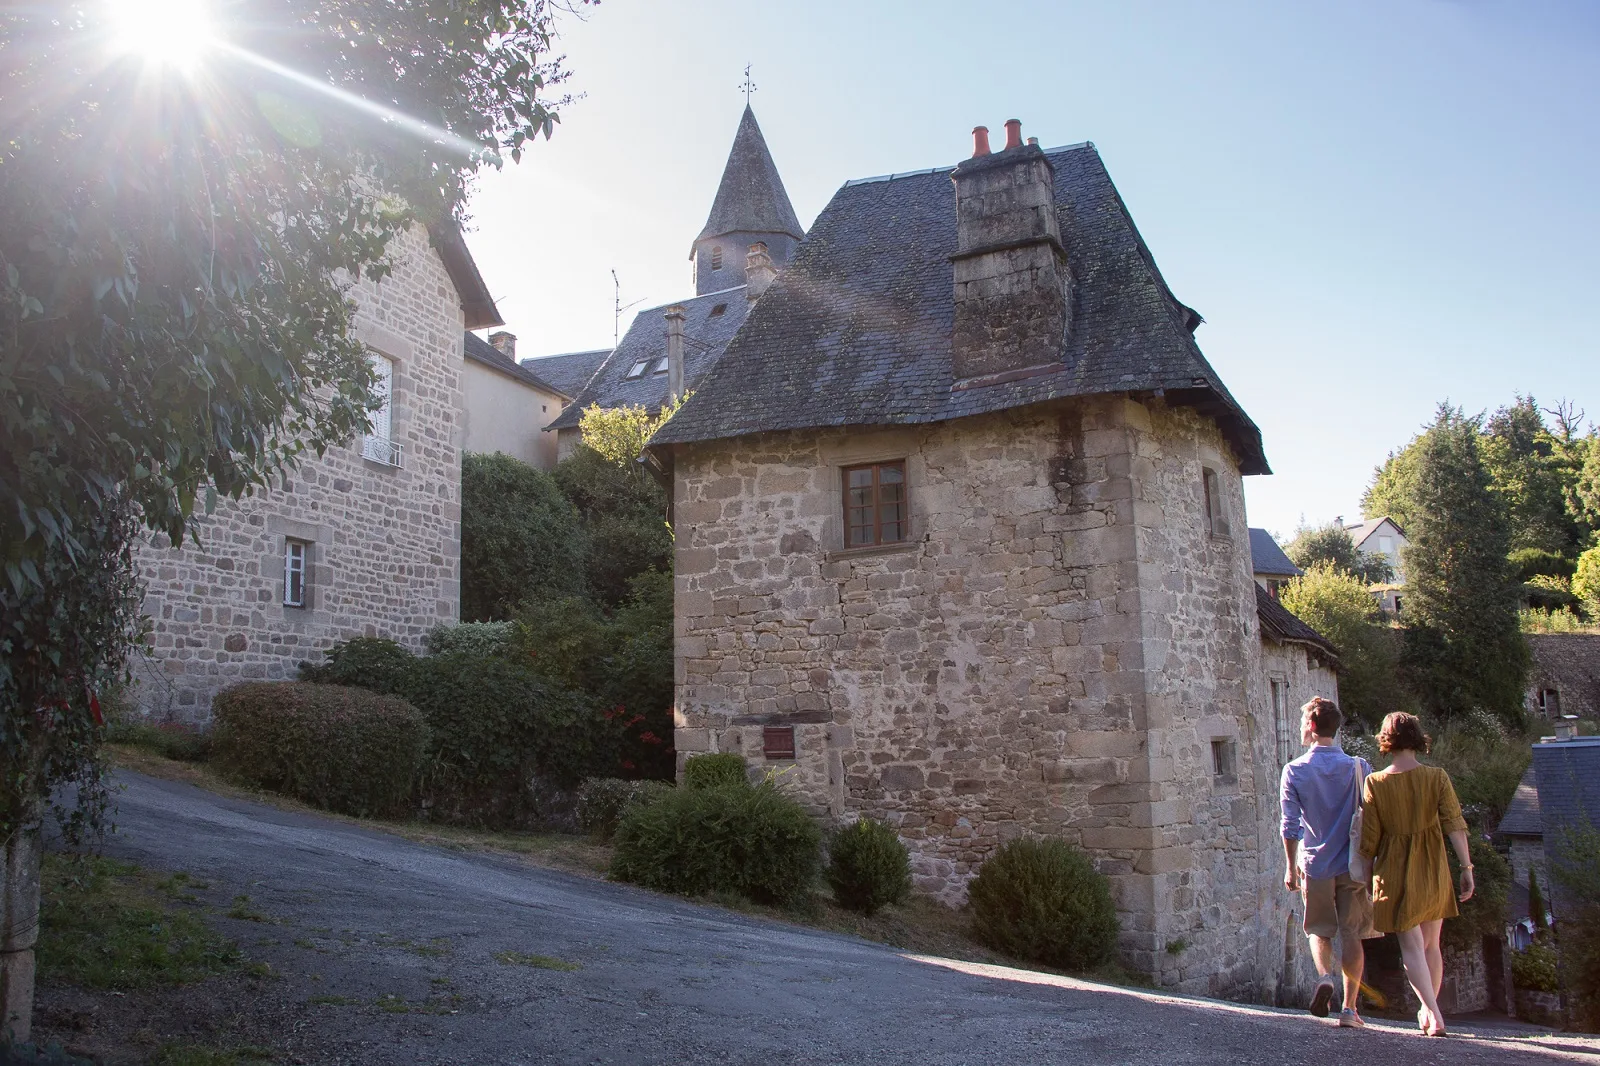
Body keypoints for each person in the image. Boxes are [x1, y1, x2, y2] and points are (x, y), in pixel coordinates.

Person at [1358, 711, 1475, 1037]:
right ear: (1416, 737)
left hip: (1393, 870)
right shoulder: (1436, 777)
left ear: (1386, 741)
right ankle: (1430, 1010)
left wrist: (1367, 879)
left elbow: (1369, 839)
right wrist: (1466, 868)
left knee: (1411, 947)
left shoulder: (1375, 782)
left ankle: (1432, 1012)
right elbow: (1455, 824)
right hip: (1432, 866)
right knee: (1430, 946)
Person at [1281, 696, 1376, 1028]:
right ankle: (1349, 1010)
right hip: (1353, 864)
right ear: (1336, 729)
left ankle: (1324, 976)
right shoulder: (1360, 767)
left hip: (1316, 864)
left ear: (1310, 726)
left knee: (1319, 931)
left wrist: (1291, 867)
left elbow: (1290, 826)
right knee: (1352, 934)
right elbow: (1374, 817)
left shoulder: (1294, 770)